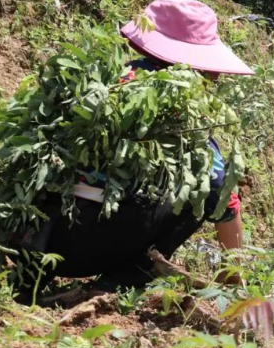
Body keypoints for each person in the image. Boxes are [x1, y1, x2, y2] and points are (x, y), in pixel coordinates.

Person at [27, 0, 253, 291]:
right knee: (205, 186)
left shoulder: (105, 81)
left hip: (48, 238)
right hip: (101, 242)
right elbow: (222, 193)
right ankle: (126, 279)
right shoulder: (181, 108)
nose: (216, 76)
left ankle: (29, 277)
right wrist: (233, 275)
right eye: (211, 70)